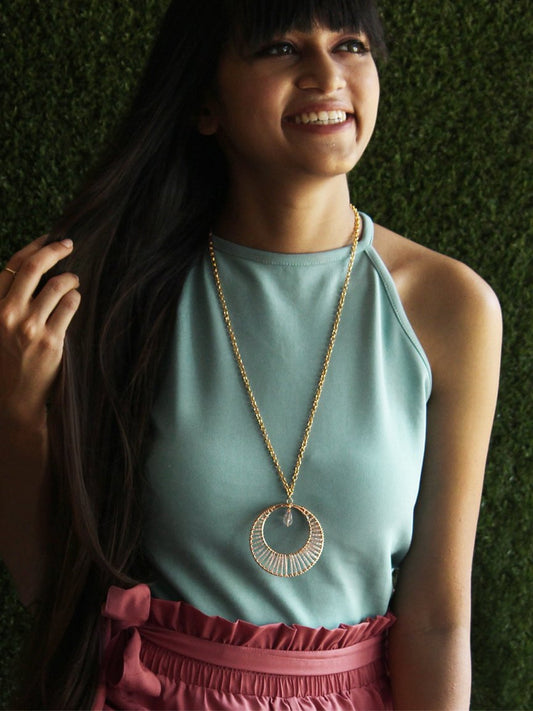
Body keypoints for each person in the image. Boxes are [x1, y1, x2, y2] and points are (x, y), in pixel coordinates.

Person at [0, 0, 502, 708]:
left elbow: (438, 620)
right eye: (280, 49)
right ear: (205, 103)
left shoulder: (450, 306)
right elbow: (50, 589)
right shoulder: (118, 296)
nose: (327, 74)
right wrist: (18, 410)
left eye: (351, 45)